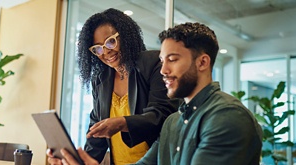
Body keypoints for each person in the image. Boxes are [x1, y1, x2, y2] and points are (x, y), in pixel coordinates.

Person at [48, 22, 263, 165]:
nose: (163, 71)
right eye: (162, 61)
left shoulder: (227, 117)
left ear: (203, 62)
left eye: (173, 59)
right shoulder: (173, 122)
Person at [47, 8, 178, 165]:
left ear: (125, 36)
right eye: (97, 48)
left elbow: (161, 115)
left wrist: (122, 123)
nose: (106, 52)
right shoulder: (101, 80)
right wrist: (75, 160)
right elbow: (97, 134)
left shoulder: (154, 64)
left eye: (110, 41)